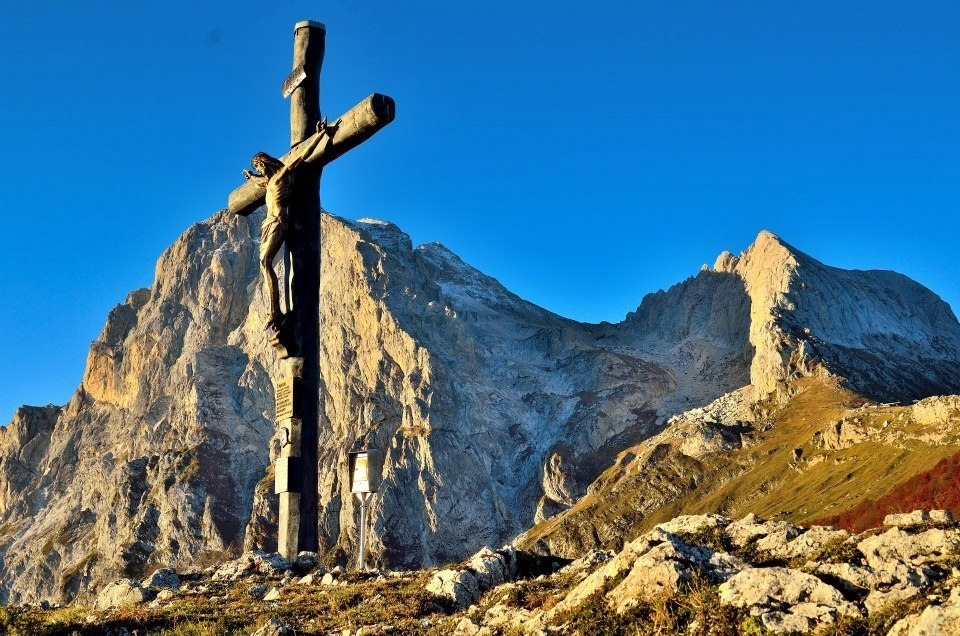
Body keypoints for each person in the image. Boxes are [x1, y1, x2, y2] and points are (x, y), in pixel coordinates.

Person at [243, 118, 331, 328]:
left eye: (259, 165)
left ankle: (275, 311)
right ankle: (275, 310)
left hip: (279, 221)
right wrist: (251, 176)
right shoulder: (267, 181)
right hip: (268, 224)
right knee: (264, 264)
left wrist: (319, 136)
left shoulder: (282, 174)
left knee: (266, 263)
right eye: (257, 167)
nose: (259, 170)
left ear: (265, 162)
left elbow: (301, 157)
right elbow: (259, 181)